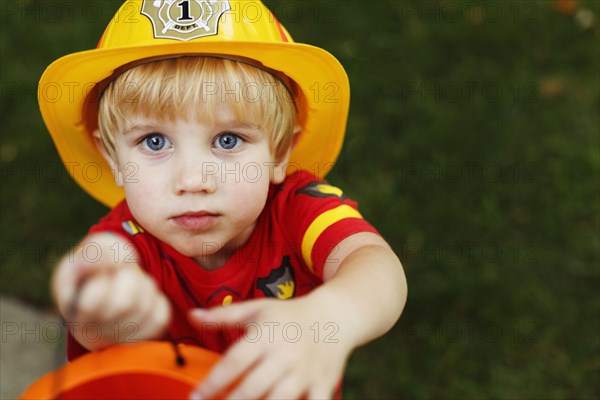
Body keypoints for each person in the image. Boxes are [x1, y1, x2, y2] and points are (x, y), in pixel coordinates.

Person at [41, 1, 407, 398]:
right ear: (112, 157)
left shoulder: (297, 209)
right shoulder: (125, 240)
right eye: (154, 141)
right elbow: (99, 274)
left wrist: (330, 316)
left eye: (228, 140)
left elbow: (376, 266)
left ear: (281, 152)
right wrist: (99, 304)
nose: (193, 180)